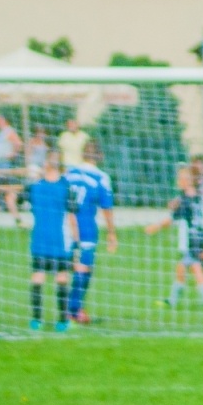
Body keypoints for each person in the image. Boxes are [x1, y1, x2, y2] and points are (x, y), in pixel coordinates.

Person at [145, 166, 203, 310]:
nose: (177, 181)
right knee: (182, 269)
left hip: (192, 240)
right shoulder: (196, 197)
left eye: (180, 178)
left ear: (188, 181)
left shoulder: (185, 201)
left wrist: (154, 227)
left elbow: (171, 219)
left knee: (196, 270)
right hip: (198, 238)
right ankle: (173, 301)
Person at [64, 141, 118, 325]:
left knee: (70, 267)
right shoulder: (101, 177)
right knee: (84, 268)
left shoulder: (69, 173)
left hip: (66, 226)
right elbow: (107, 207)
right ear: (99, 156)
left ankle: (75, 308)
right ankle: (73, 311)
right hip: (86, 227)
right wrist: (111, 233)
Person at [24, 152, 77, 331]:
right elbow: (71, 217)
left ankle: (36, 320)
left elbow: (11, 199)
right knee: (61, 277)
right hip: (60, 241)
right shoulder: (66, 187)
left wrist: (18, 219)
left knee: (38, 277)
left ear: (45, 164)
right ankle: (62, 321)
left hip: (39, 239)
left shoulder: (34, 186)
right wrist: (76, 243)